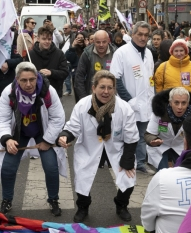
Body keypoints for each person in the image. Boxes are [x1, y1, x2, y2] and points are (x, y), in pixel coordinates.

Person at [57, 70, 138, 222]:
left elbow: (131, 136)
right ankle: (83, 207)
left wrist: (127, 158)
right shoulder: (82, 105)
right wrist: (65, 136)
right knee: (82, 178)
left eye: (110, 88)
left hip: (117, 149)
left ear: (114, 89)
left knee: (128, 178)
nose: (106, 92)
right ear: (94, 88)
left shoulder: (124, 108)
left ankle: (121, 205)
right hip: (90, 149)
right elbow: (73, 127)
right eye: (102, 87)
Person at [0, 62, 65, 216]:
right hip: (20, 132)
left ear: (37, 77)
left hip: (42, 131)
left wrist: (47, 141)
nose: (28, 84)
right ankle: (7, 200)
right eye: (24, 80)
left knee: (51, 166)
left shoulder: (47, 91)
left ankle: (53, 199)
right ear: (17, 80)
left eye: (32, 79)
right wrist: (7, 139)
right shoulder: (9, 92)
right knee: (8, 167)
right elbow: (1, 119)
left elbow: (58, 117)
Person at [110, 21, 155, 174]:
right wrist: (129, 99)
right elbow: (115, 79)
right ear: (132, 34)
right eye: (139, 34)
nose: (143, 38)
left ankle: (141, 163)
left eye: (146, 35)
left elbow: (150, 79)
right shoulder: (121, 53)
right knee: (127, 135)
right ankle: (124, 162)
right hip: (128, 103)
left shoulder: (149, 53)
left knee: (142, 135)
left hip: (145, 103)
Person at [145, 87, 191, 170]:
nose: (180, 107)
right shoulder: (159, 113)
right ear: (170, 103)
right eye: (176, 103)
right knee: (163, 172)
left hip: (180, 146)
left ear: (188, 103)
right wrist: (153, 140)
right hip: (160, 146)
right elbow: (148, 134)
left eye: (184, 103)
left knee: (183, 172)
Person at [74, 30, 116, 103]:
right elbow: (79, 77)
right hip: (92, 98)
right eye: (98, 42)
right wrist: (84, 99)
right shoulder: (87, 54)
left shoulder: (116, 53)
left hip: (112, 98)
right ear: (93, 41)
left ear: (108, 40)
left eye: (104, 42)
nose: (101, 45)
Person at [28, 25, 69, 98]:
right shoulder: (30, 54)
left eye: (49, 39)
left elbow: (65, 72)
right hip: (35, 94)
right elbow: (25, 72)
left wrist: (51, 73)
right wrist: (37, 73)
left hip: (55, 94)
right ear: (38, 39)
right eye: (44, 39)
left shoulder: (59, 53)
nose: (47, 41)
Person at [64, 31, 86, 97]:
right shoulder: (73, 49)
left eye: (82, 38)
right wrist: (73, 46)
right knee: (78, 95)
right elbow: (67, 57)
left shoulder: (88, 49)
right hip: (76, 74)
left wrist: (87, 45)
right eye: (78, 38)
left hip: (87, 75)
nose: (80, 40)